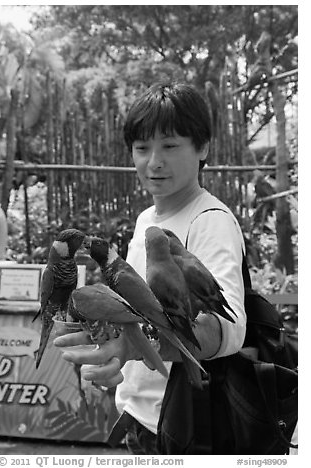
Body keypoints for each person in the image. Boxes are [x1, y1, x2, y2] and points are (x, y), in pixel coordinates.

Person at [54, 81, 246, 454]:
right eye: (142, 148)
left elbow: (228, 327)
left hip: (181, 425)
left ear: (203, 147)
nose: (154, 161)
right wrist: (118, 343)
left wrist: (138, 345)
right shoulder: (147, 219)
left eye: (170, 146)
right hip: (142, 416)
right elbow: (143, 310)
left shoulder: (209, 221)